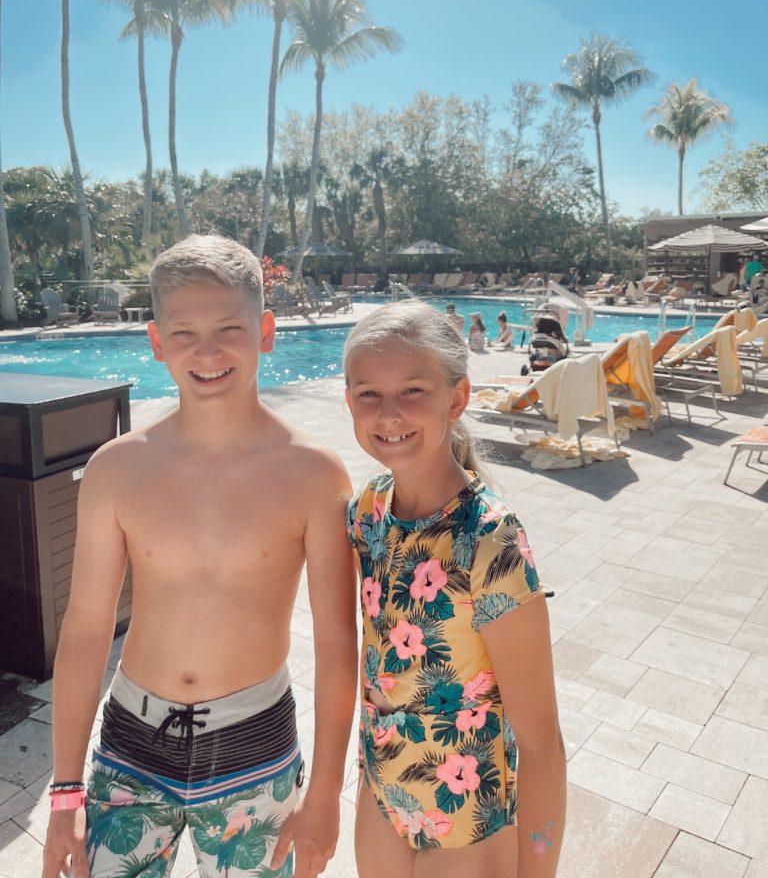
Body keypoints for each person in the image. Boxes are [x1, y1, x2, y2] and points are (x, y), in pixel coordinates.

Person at [42, 235, 357, 878]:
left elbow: (336, 644)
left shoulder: (314, 475)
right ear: (157, 343)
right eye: (184, 333)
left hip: (257, 751)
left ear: (265, 332)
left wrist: (325, 791)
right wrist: (65, 791)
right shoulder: (117, 469)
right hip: (130, 750)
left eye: (228, 329)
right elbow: (86, 629)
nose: (207, 352)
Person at [343, 302, 566, 878]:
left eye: (413, 390)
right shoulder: (368, 511)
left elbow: (541, 742)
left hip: (469, 813)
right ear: (349, 402)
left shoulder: (490, 542)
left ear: (457, 398)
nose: (389, 413)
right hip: (383, 791)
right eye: (369, 394)